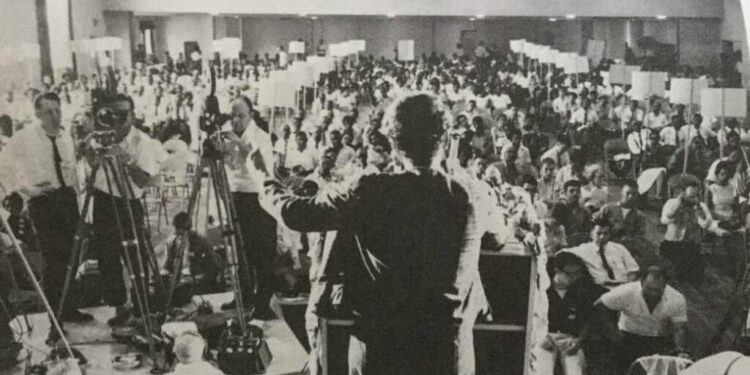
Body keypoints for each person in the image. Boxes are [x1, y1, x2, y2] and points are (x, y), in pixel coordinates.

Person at [249, 93, 481, 374]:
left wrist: (263, 177)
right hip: (448, 354)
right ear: (443, 140)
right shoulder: (464, 196)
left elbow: (297, 213)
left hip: (384, 351)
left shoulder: (372, 189)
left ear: (393, 143)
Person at [0, 92, 93, 345]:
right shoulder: (25, 138)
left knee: (71, 257)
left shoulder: (65, 137)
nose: (55, 115)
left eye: (58, 110)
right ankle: (55, 323)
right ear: (38, 113)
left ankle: (70, 307)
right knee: (52, 264)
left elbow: (72, 170)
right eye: (49, 111)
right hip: (44, 203)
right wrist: (25, 189)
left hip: (68, 201)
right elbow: (3, 166)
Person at [86, 93, 166, 327]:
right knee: (107, 256)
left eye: (123, 114)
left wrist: (126, 159)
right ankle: (121, 306)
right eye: (112, 114)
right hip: (103, 200)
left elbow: (143, 181)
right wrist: (91, 151)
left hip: (129, 202)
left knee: (136, 257)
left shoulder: (143, 142)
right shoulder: (100, 138)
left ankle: (142, 309)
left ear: (132, 115)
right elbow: (92, 168)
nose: (118, 120)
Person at [217, 96, 276, 318]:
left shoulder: (262, 137)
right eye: (232, 115)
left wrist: (237, 142)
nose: (236, 120)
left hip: (258, 198)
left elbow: (259, 164)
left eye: (241, 115)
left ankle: (263, 303)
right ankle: (242, 295)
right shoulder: (226, 132)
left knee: (260, 253)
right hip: (235, 196)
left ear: (251, 115)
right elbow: (226, 163)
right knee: (238, 250)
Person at [595, 265, 689, 373]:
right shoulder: (627, 291)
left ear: (665, 286)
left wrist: (680, 350)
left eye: (658, 290)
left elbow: (679, 329)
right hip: (628, 337)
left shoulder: (676, 299)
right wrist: (613, 333)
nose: (653, 293)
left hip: (659, 340)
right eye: (649, 289)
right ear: (641, 282)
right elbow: (598, 305)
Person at [539, 252, 606, 375]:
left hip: (570, 339)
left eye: (577, 274)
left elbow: (589, 319)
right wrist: (541, 336)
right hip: (545, 337)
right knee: (542, 367)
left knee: (575, 369)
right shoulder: (542, 290)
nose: (574, 277)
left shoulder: (582, 292)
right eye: (570, 274)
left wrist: (579, 341)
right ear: (557, 271)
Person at [660, 185, 725, 286]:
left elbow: (706, 224)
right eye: (690, 195)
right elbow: (665, 219)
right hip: (672, 243)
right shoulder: (672, 202)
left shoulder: (700, 206)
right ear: (683, 194)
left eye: (695, 195)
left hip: (690, 244)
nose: (692, 198)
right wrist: (679, 203)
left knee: (695, 273)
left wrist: (698, 209)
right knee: (673, 272)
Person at [561, 218, 639, 289]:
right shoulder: (583, 250)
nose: (602, 237)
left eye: (605, 234)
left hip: (623, 287)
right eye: (598, 233)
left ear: (610, 235)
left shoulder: (619, 248)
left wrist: (626, 287)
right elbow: (560, 254)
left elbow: (633, 270)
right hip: (601, 289)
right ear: (591, 234)